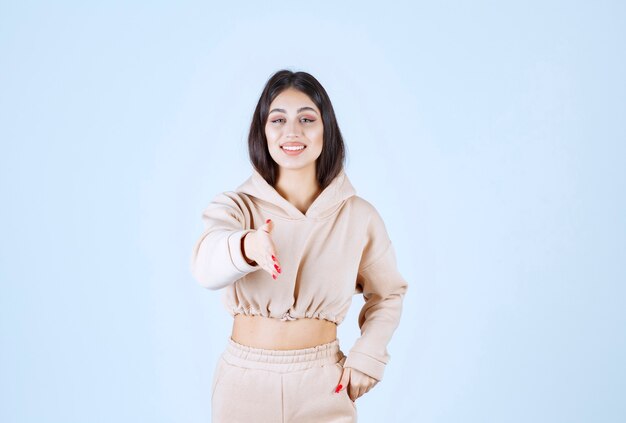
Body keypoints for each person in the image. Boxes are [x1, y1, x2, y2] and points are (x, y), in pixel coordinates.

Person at [190, 69, 409, 423]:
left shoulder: (359, 216)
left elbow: (388, 294)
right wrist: (247, 245)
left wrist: (369, 354)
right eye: (278, 120)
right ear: (262, 131)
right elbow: (205, 264)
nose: (292, 132)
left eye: (307, 119)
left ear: (327, 130)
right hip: (244, 383)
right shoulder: (235, 207)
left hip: (322, 383)